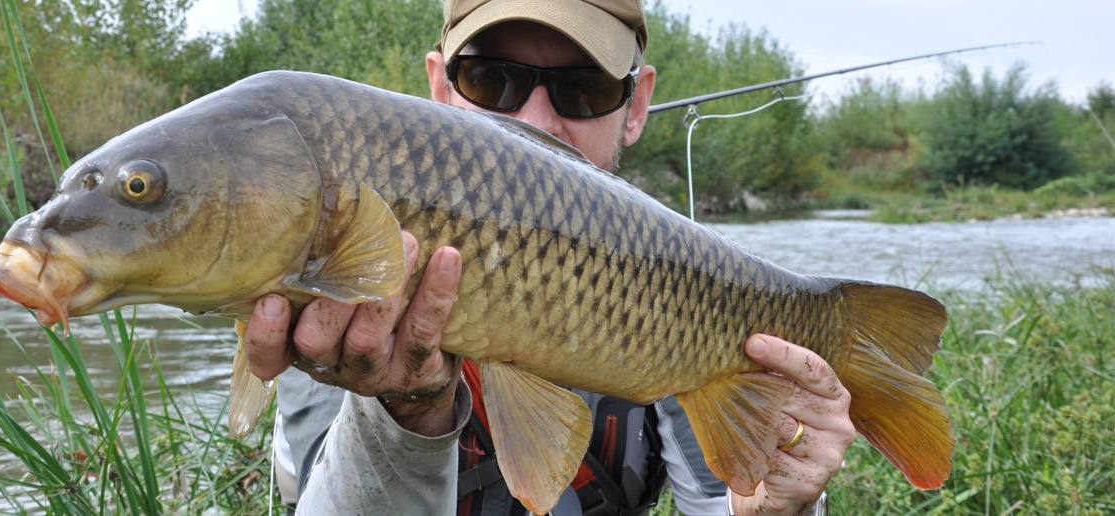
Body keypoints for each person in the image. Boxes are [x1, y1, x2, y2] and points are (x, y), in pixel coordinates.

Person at [245, 1, 856, 514]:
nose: (535, 122)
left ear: (635, 106)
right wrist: (406, 406)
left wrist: (777, 506)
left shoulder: (675, 279)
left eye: (582, 89)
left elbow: (723, 502)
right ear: (440, 87)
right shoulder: (339, 252)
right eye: (491, 80)